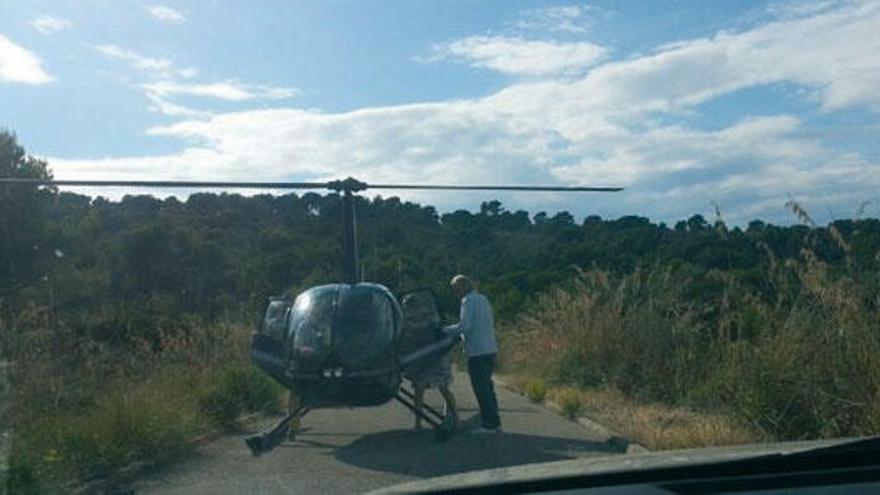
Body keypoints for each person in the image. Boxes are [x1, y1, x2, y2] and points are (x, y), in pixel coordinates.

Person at [444, 274, 501, 434]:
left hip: (477, 352)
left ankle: (489, 424)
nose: (456, 293)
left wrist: (444, 330)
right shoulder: (483, 299)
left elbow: (464, 326)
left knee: (481, 389)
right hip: (489, 349)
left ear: (463, 287)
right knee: (488, 387)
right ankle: (494, 422)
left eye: (456, 289)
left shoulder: (467, 301)